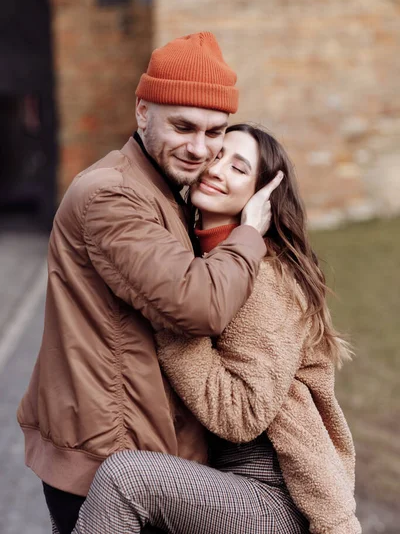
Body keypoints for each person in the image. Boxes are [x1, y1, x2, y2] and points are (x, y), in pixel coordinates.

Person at [17, 33, 281, 534]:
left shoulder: (163, 189)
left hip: (140, 457)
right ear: (143, 112)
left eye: (214, 131)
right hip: (106, 466)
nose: (200, 148)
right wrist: (249, 234)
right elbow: (197, 304)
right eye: (183, 126)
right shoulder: (112, 195)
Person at [72, 125, 361, 534]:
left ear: (261, 198)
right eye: (217, 155)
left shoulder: (262, 280)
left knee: (126, 479)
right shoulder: (202, 261)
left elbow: (241, 416)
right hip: (226, 480)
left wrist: (169, 315)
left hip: (272, 497)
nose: (217, 169)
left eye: (239, 168)